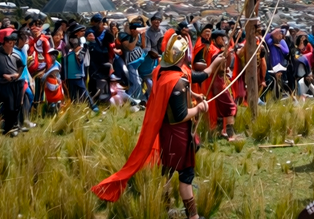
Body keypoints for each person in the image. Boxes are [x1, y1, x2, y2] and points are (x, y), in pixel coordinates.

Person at [92, 35, 224, 219]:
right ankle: (192, 217)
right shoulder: (176, 81)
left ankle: (165, 207)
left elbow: (186, 80)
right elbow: (181, 115)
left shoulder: (164, 73)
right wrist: (199, 108)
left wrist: (195, 92)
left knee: (167, 172)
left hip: (167, 133)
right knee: (186, 176)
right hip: (178, 134)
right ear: (180, 57)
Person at [0, 34, 24, 134]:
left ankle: (16, 125)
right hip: (3, 84)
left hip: (16, 83)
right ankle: (8, 128)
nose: (12, 45)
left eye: (13, 43)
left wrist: (18, 74)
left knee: (17, 106)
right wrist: (3, 75)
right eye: (10, 43)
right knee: (9, 106)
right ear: (4, 43)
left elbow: (21, 66)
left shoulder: (15, 54)